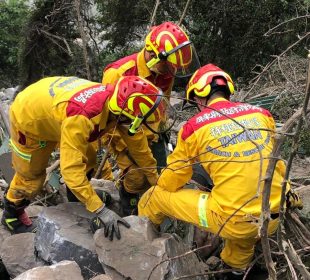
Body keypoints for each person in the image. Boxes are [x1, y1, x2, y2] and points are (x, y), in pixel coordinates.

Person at [138, 64, 302, 279]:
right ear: (228, 90)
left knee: (155, 196)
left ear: (198, 98)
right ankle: (234, 271)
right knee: (242, 243)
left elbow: (171, 180)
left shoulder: (195, 127)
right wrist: (288, 189)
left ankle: (139, 243)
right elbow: (275, 164)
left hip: (230, 219)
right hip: (271, 216)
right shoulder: (262, 114)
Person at [2, 75, 166, 240]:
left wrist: (155, 181)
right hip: (30, 119)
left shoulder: (119, 104)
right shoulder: (83, 117)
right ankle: (11, 215)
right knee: (31, 177)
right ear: (124, 115)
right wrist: (101, 210)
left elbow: (140, 149)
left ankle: (77, 201)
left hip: (56, 110)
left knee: (88, 158)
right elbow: (70, 171)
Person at [101, 21, 200, 215]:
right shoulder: (118, 74)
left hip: (152, 131)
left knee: (161, 174)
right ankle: (129, 210)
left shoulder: (166, 71)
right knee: (136, 177)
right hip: (123, 133)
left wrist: (160, 133)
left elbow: (163, 104)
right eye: (169, 66)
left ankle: (155, 211)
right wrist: (127, 151)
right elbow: (109, 120)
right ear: (153, 55)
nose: (172, 71)